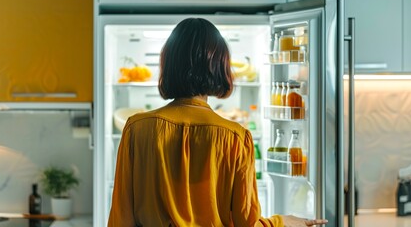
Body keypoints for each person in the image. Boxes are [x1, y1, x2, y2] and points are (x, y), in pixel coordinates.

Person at [108, 18, 328, 227]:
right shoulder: (235, 137)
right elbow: (247, 223)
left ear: (168, 65)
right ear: (220, 68)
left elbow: (122, 217)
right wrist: (282, 222)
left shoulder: (137, 129)